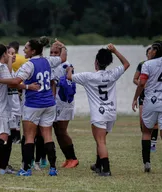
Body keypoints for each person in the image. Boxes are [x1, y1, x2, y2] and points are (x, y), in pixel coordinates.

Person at [0, 36, 67, 176]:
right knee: (47, 136)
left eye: (26, 48)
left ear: (33, 51)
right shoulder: (48, 60)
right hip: (49, 103)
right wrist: (63, 46)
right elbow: (62, 58)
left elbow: (15, 81)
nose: (24, 50)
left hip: (33, 104)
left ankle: (26, 169)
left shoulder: (29, 64)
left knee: (29, 136)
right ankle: (52, 168)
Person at [67, 44, 130, 176]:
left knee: (100, 141)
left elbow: (69, 77)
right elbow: (126, 64)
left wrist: (69, 69)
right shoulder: (113, 74)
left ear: (96, 62)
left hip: (99, 114)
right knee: (100, 140)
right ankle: (98, 165)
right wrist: (115, 51)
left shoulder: (88, 76)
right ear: (108, 63)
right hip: (111, 113)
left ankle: (106, 170)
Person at [0, 45, 39, 176]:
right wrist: (28, 86)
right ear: (4, 54)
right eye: (8, 53)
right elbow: (12, 82)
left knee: (6, 138)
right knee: (2, 138)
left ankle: (3, 168)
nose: (11, 55)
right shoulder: (1, 67)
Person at [132, 41, 162, 173]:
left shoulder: (147, 64)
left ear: (154, 51)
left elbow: (142, 83)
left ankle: (147, 163)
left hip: (151, 101)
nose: (149, 52)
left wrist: (135, 98)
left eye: (151, 50)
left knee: (146, 131)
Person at [50, 44, 79, 168]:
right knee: (57, 131)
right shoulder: (52, 64)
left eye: (56, 53)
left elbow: (69, 84)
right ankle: (68, 158)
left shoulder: (65, 65)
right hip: (55, 102)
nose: (53, 55)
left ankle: (73, 158)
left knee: (62, 131)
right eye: (51, 52)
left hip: (64, 102)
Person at [133, 47, 159, 152]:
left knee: (155, 121)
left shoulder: (158, 65)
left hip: (155, 95)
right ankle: (146, 139)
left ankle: (153, 144)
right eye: (148, 53)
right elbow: (135, 79)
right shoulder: (142, 64)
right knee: (142, 120)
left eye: (152, 52)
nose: (150, 54)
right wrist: (143, 85)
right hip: (143, 94)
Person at [9, 41, 28, 143]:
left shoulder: (8, 60)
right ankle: (18, 137)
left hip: (14, 88)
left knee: (13, 113)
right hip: (21, 89)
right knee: (18, 113)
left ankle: (13, 137)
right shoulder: (24, 59)